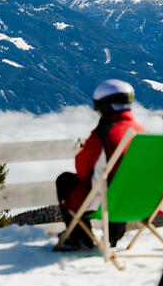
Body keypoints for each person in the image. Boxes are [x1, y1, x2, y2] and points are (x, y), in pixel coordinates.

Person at [55, 79, 145, 251]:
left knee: (65, 180)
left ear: (104, 107)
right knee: (121, 182)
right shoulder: (141, 132)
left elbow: (82, 171)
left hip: (108, 202)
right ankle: (114, 236)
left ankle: (81, 237)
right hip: (141, 200)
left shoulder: (103, 135)